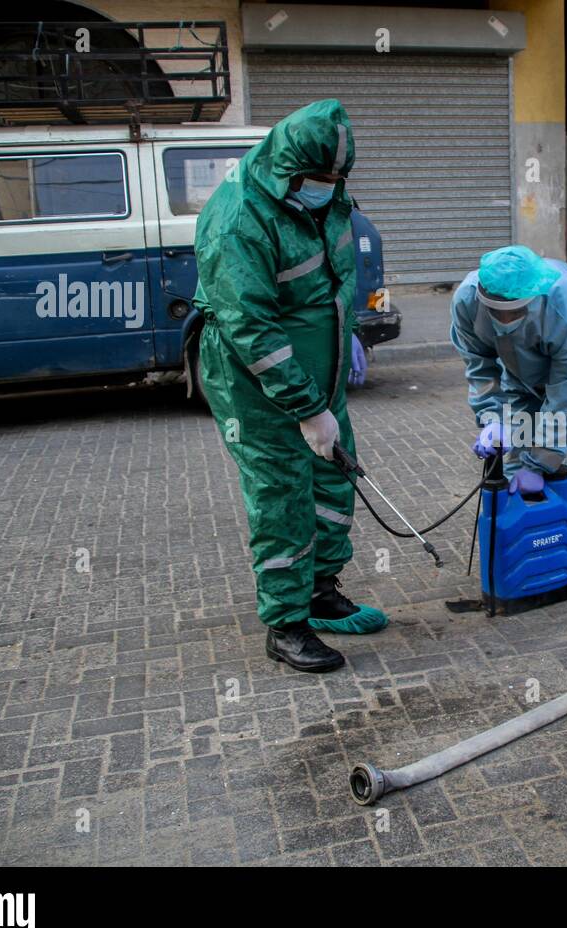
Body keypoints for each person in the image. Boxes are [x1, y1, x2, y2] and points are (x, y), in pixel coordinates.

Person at [193, 100, 387, 675]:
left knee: (333, 478)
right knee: (282, 494)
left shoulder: (324, 192)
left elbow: (333, 272)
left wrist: (344, 331)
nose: (330, 188)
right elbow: (250, 324)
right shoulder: (238, 219)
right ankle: (286, 624)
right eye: (321, 179)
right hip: (256, 380)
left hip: (319, 372)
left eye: (337, 179)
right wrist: (305, 408)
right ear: (289, 170)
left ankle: (321, 591)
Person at [450, 245, 567, 604]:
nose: (507, 320)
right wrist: (490, 419)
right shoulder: (466, 302)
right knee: (518, 442)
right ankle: (531, 544)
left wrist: (542, 462)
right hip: (519, 370)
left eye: (517, 311)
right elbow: (480, 368)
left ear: (534, 296)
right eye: (499, 313)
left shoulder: (566, 307)